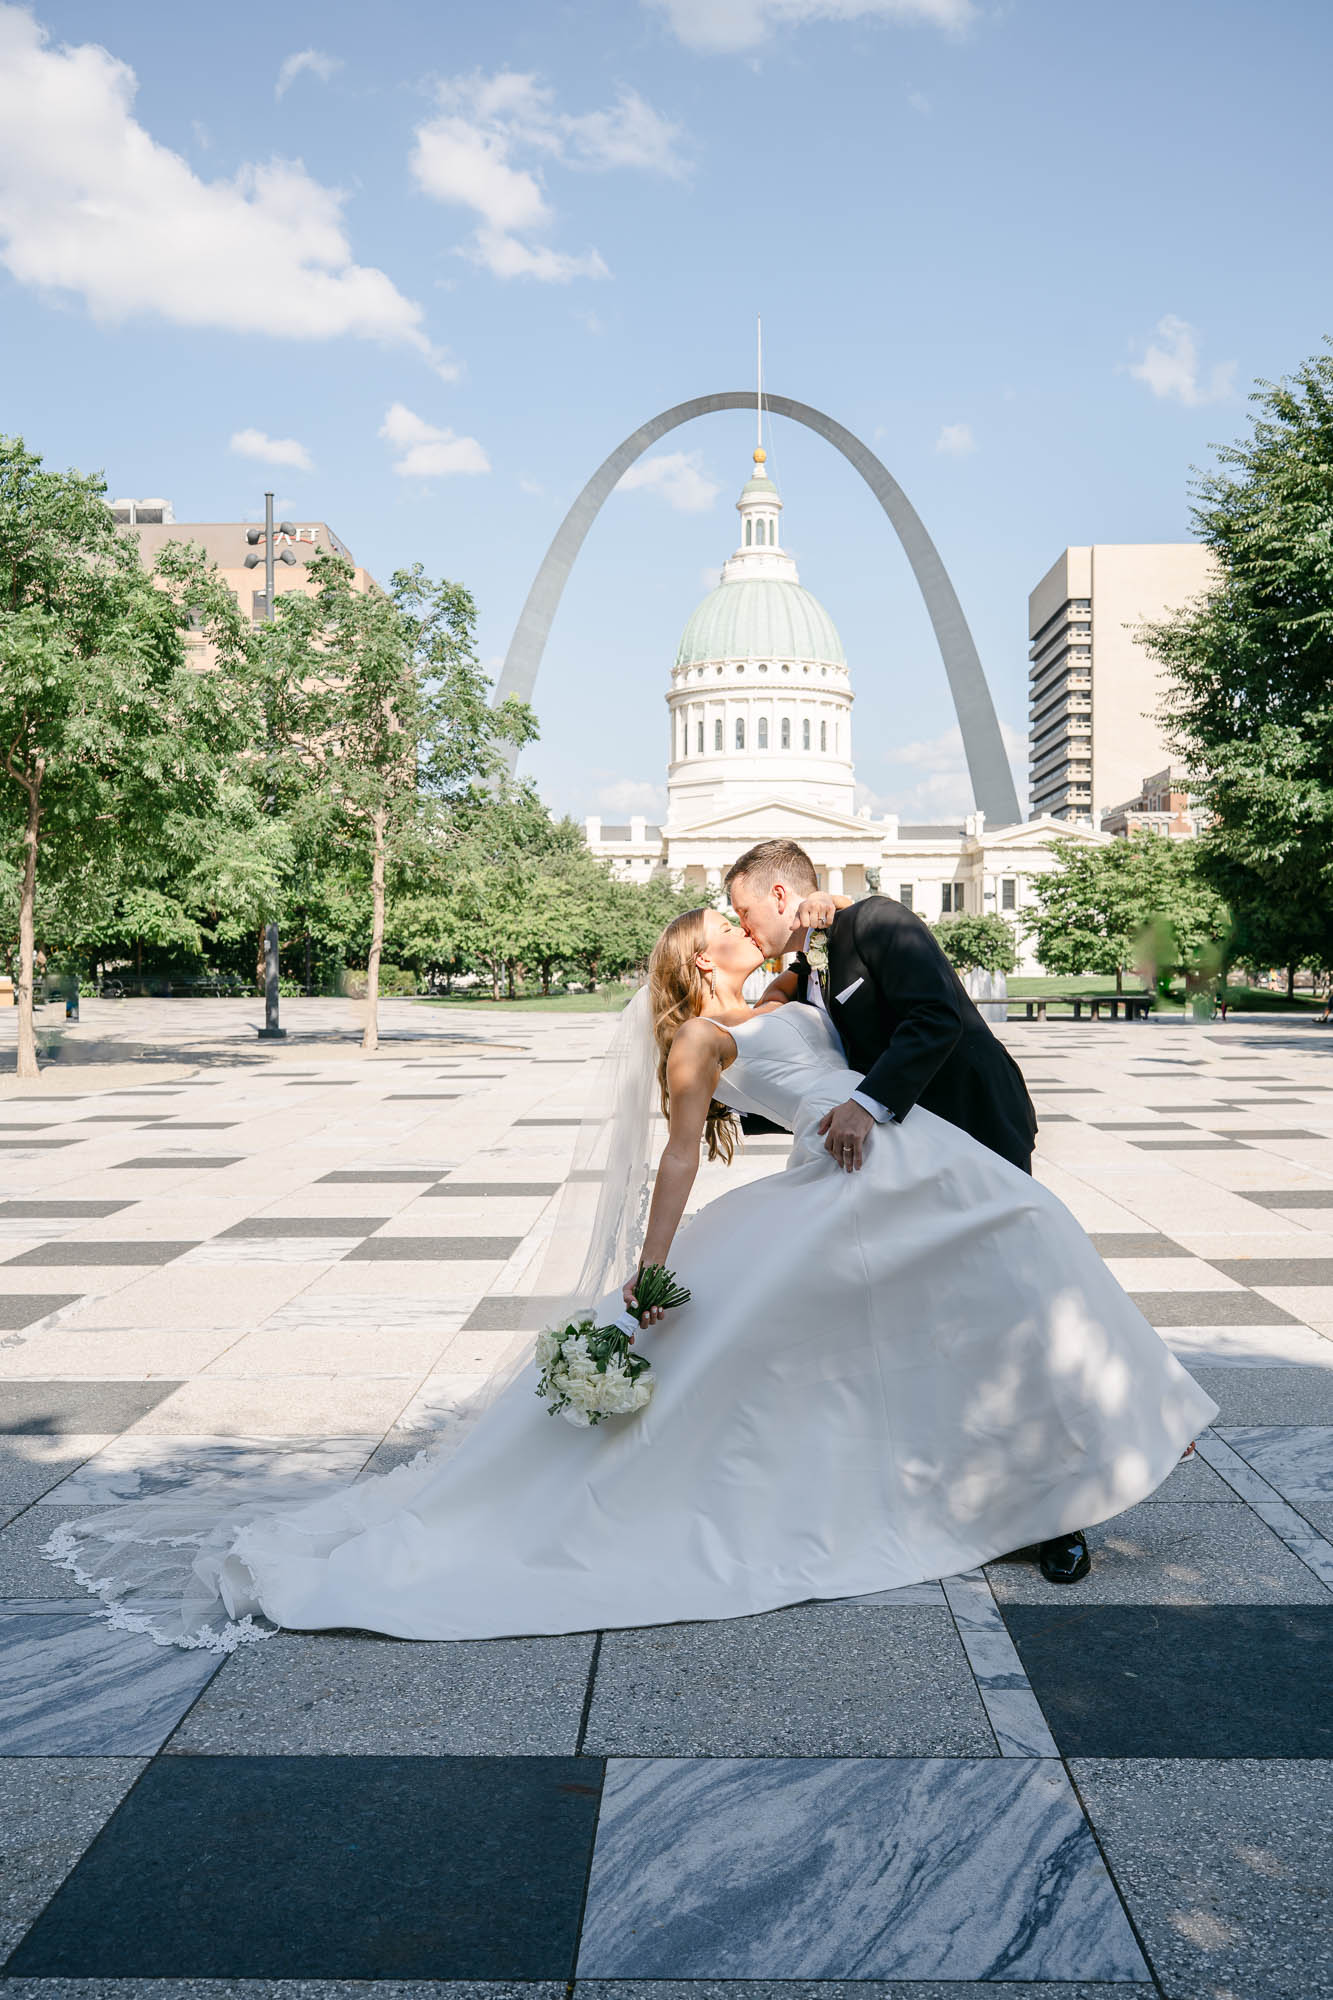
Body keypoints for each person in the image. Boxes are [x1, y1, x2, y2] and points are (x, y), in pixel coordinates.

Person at [47, 899, 1216, 1648]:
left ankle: (1098, 1442)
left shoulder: (784, 995)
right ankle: (1032, 1470)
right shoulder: (699, 1039)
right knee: (914, 1320)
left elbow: (877, 1028)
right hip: (852, 1185)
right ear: (696, 955)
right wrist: (646, 1276)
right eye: (725, 922)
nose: (746, 925)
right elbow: (674, 1156)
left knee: (1018, 1265)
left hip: (902, 1161)